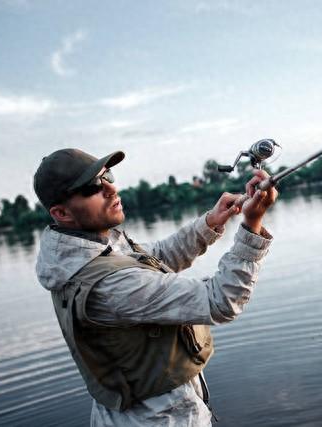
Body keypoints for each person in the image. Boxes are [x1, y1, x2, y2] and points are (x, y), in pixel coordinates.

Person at [33, 148, 277, 426]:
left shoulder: (84, 254)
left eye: (108, 176)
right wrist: (252, 224)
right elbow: (220, 300)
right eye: (93, 187)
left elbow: (157, 256)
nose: (112, 189)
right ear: (62, 212)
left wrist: (211, 221)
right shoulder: (108, 284)